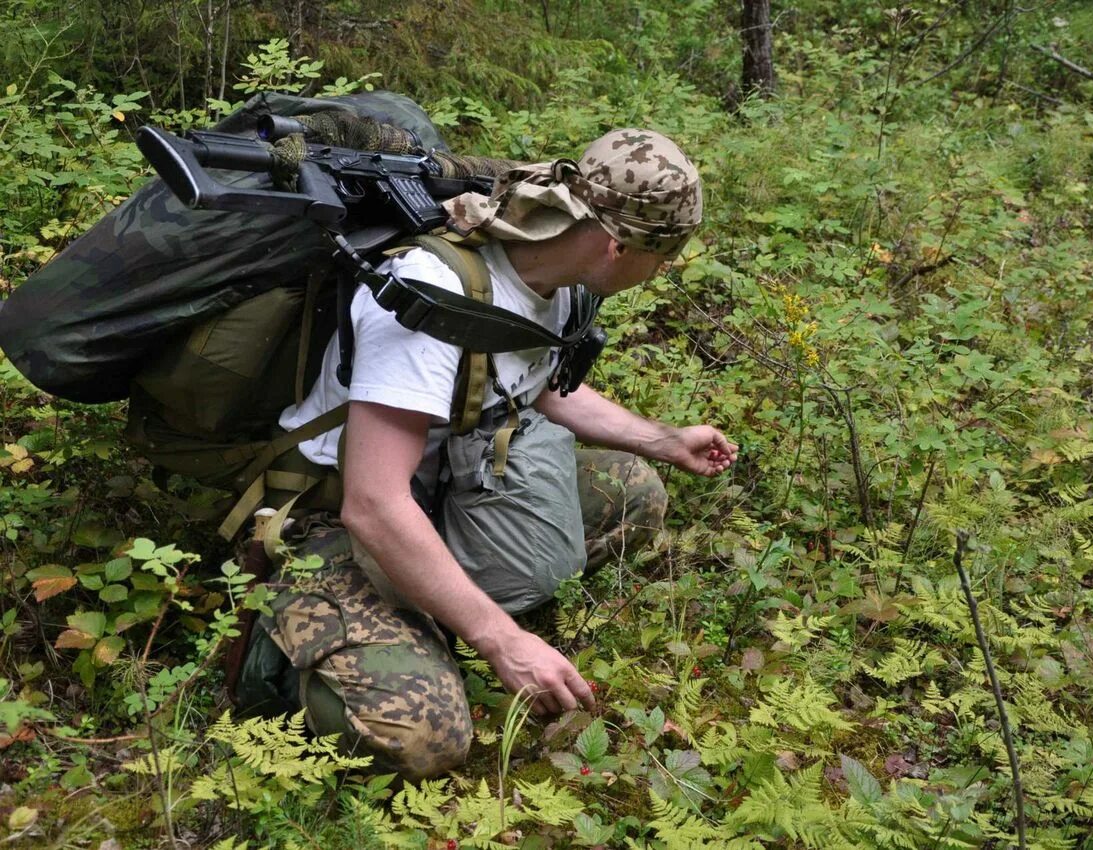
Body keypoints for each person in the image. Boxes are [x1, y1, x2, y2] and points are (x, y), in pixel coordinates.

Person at [233, 128, 738, 781]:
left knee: (633, 491)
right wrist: (502, 642)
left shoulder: (556, 275)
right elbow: (373, 505)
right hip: (332, 518)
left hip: (445, 487)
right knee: (427, 737)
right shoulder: (430, 295)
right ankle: (283, 666)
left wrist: (663, 440)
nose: (661, 273)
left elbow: (533, 389)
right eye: (663, 258)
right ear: (618, 245)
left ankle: (434, 610)